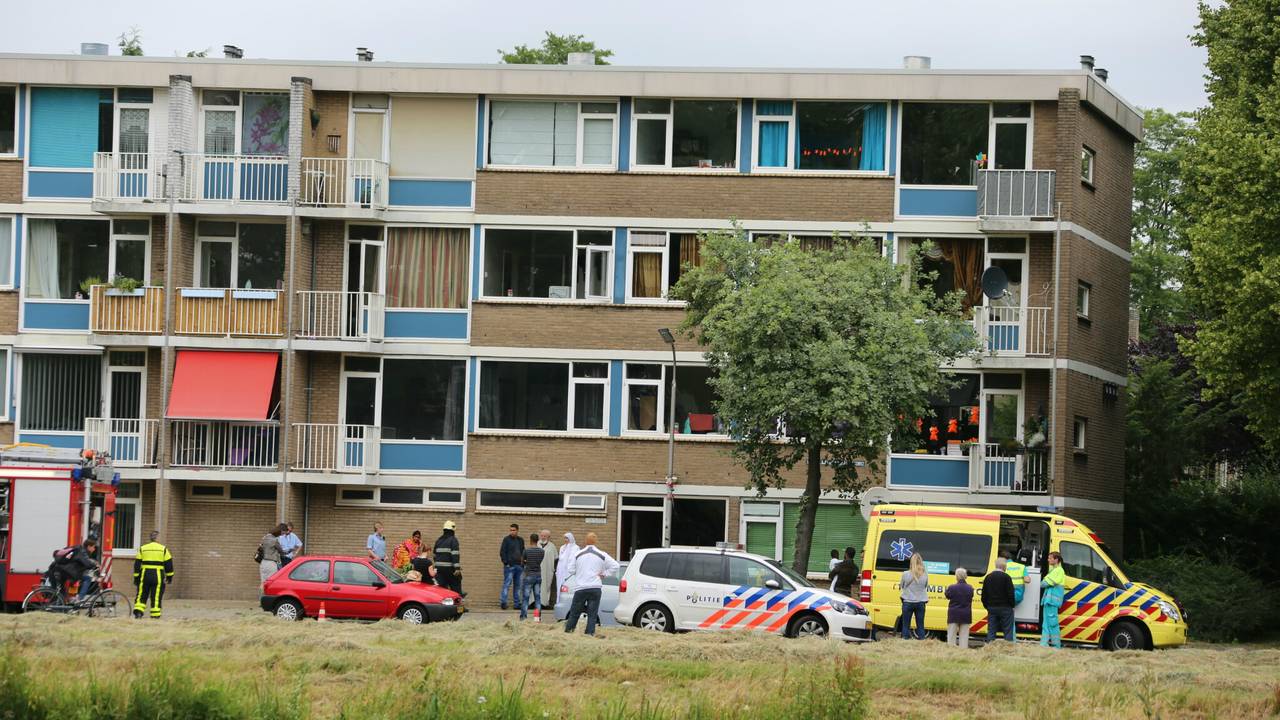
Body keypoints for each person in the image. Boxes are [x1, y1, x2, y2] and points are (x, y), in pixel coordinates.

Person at [563, 532, 620, 637]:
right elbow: (615, 566)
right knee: (592, 614)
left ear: (585, 541)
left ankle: (568, 632)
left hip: (581, 588)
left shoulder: (578, 554)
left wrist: (580, 572)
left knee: (574, 612)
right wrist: (604, 574)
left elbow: (570, 569)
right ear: (596, 541)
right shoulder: (602, 554)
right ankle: (589, 633)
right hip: (595, 587)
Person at [133, 530, 173, 619]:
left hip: (145, 575)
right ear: (158, 538)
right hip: (158, 575)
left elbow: (137, 564)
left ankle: (138, 612)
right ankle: (155, 615)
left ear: (150, 538)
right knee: (156, 595)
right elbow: (169, 564)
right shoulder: (163, 549)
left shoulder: (143, 548)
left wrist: (136, 577)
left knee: (141, 594)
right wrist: (169, 576)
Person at [981, 556, 1018, 643]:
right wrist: (1012, 605)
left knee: (991, 630)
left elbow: (984, 595)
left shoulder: (988, 577)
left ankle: (990, 647)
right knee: (1008, 631)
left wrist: (987, 606)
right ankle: (1008, 647)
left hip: (992, 607)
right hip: (1005, 608)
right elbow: (1010, 594)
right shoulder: (1007, 577)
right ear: (1004, 566)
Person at [899, 552, 930, 640]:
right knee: (920, 625)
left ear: (911, 562)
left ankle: (905, 641)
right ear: (921, 562)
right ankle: (922, 641)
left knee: (906, 625)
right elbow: (925, 586)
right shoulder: (925, 574)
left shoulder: (905, 574)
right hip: (921, 602)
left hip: (907, 601)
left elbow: (902, 586)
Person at [1040, 551, 1066, 648]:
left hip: (1052, 602)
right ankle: (1044, 644)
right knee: (1046, 624)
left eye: (1050, 558)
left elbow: (1044, 583)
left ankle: (1056, 645)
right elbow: (1043, 583)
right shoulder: (1054, 570)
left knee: (1052, 624)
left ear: (1056, 560)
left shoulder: (1058, 571)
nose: (1048, 560)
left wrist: (1045, 581)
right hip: (1049, 602)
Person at [944, 567, 975, 648]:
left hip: (954, 614)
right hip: (966, 614)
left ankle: (951, 651)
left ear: (957, 576)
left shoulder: (952, 587)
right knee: (964, 636)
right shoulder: (970, 588)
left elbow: (947, 595)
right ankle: (963, 651)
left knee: (951, 635)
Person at [499, 523, 525, 610]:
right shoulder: (506, 539)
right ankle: (503, 603)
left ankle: (517, 604)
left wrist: (522, 563)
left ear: (517, 530)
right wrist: (506, 563)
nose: (512, 532)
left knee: (518, 586)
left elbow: (523, 551)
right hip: (509, 567)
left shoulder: (521, 540)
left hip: (519, 566)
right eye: (511, 530)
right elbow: (502, 552)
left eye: (514, 530)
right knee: (507, 584)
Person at [433, 520, 462, 594]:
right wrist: (457, 568)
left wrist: (439, 564)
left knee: (441, 590)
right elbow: (455, 555)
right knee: (456, 586)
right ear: (452, 530)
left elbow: (434, 555)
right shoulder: (453, 540)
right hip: (449, 570)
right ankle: (457, 599)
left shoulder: (438, 540)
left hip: (439, 570)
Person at [520, 533, 544, 620]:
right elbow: (539, 561)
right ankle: (537, 618)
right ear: (537, 541)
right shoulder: (542, 551)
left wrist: (526, 561)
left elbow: (522, 563)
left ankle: (523, 617)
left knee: (526, 598)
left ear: (530, 540)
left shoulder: (526, 551)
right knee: (537, 598)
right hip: (538, 576)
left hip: (529, 576)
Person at [537, 529, 557, 609]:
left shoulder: (552, 546)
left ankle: (545, 603)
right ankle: (535, 603)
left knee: (546, 586)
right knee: (536, 586)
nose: (543, 537)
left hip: (548, 570)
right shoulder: (536, 544)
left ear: (548, 537)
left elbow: (556, 558)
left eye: (545, 536)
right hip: (537, 570)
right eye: (542, 535)